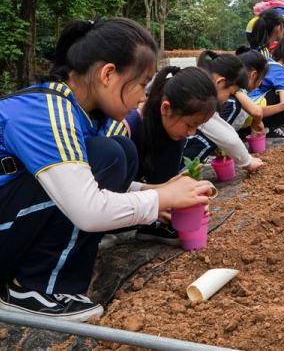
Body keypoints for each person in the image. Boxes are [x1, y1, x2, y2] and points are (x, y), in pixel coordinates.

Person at [0, 18, 211, 321]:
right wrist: (160, 200)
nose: (142, 97)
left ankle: (55, 284)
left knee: (117, 151)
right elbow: (87, 208)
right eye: (141, 84)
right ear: (108, 74)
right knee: (109, 153)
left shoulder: (89, 115)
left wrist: (159, 193)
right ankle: (34, 289)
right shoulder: (47, 112)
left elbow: (78, 183)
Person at [116, 66, 218, 245]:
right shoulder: (127, 127)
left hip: (134, 199)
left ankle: (153, 226)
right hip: (105, 204)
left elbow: (164, 185)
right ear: (166, 108)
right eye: (189, 125)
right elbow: (102, 192)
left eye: (197, 127)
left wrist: (180, 203)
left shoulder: (173, 134)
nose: (191, 133)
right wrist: (155, 202)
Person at [183, 51, 264, 171]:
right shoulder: (199, 99)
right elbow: (229, 140)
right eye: (231, 92)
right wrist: (247, 162)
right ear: (220, 82)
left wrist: (246, 158)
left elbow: (222, 126)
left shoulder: (198, 88)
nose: (228, 98)